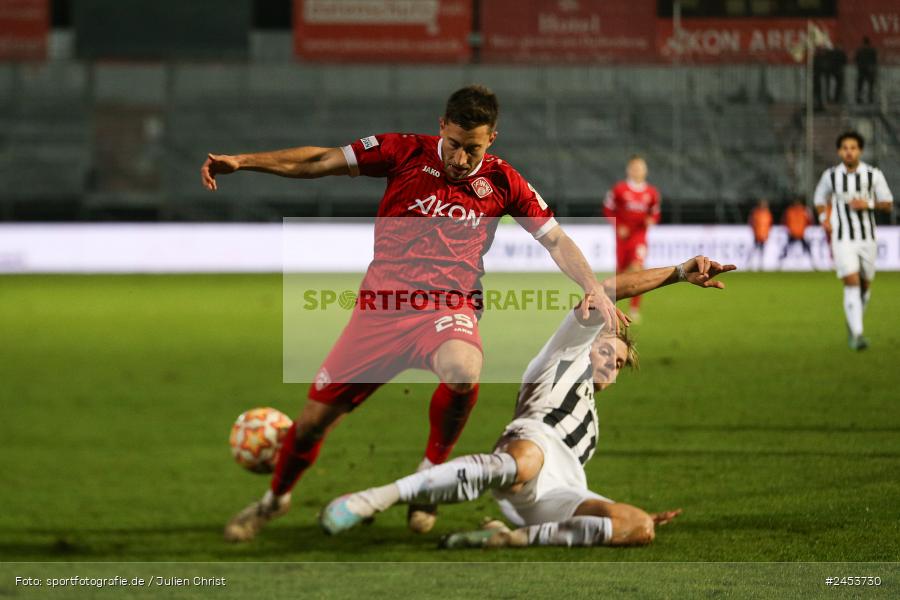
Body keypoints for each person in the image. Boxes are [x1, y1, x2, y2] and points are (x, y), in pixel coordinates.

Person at [201, 85, 626, 541]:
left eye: (474, 149)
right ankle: (275, 500)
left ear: (492, 139)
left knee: (464, 370)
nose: (461, 159)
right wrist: (243, 161)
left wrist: (591, 287)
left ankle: (430, 475)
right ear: (441, 126)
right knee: (308, 426)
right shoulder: (401, 151)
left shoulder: (504, 182)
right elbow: (319, 161)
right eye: (455, 145)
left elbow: (556, 239)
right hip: (379, 312)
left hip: (448, 305)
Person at [321, 256, 736, 549]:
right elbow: (606, 289)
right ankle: (377, 497)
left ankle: (509, 538)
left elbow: (576, 486)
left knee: (639, 525)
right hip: (528, 447)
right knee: (527, 460)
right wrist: (679, 272)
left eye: (620, 362)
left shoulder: (591, 423)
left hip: (558, 492)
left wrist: (609, 515)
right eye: (608, 351)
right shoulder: (566, 353)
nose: (613, 362)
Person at [813, 131, 893, 351]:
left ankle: (853, 324)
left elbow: (887, 203)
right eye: (845, 148)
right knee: (851, 282)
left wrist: (867, 204)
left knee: (865, 286)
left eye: (853, 148)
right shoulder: (830, 176)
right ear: (839, 151)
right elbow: (819, 198)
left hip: (867, 238)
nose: (849, 152)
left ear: (860, 151)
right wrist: (823, 218)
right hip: (842, 238)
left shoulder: (873, 175)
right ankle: (857, 334)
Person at [602, 155, 661, 323]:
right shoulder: (619, 190)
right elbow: (608, 209)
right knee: (620, 273)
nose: (637, 171)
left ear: (645, 170)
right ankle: (613, 305)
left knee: (637, 269)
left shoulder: (651, 193)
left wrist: (652, 220)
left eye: (640, 168)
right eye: (634, 168)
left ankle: (634, 308)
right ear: (629, 170)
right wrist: (617, 225)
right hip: (623, 239)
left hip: (639, 237)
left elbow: (655, 213)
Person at [778, 198, 816, 270]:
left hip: (796, 232)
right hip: (797, 232)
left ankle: (781, 259)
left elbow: (784, 220)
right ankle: (812, 260)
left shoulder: (794, 210)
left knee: (789, 247)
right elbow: (810, 221)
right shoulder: (803, 210)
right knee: (805, 247)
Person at [747, 199, 772, 271]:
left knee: (761, 251)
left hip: (763, 236)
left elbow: (769, 225)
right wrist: (755, 232)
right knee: (754, 250)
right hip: (758, 235)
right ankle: (750, 264)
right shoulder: (756, 213)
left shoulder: (767, 213)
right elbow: (752, 223)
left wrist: (766, 234)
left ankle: (760, 264)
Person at [855, 37, 877, 105]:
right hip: (869, 70)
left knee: (860, 85)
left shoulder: (859, 50)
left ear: (863, 42)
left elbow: (856, 59)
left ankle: (858, 98)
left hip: (861, 70)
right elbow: (874, 61)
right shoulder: (872, 50)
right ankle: (870, 98)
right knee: (870, 85)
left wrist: (859, 66)